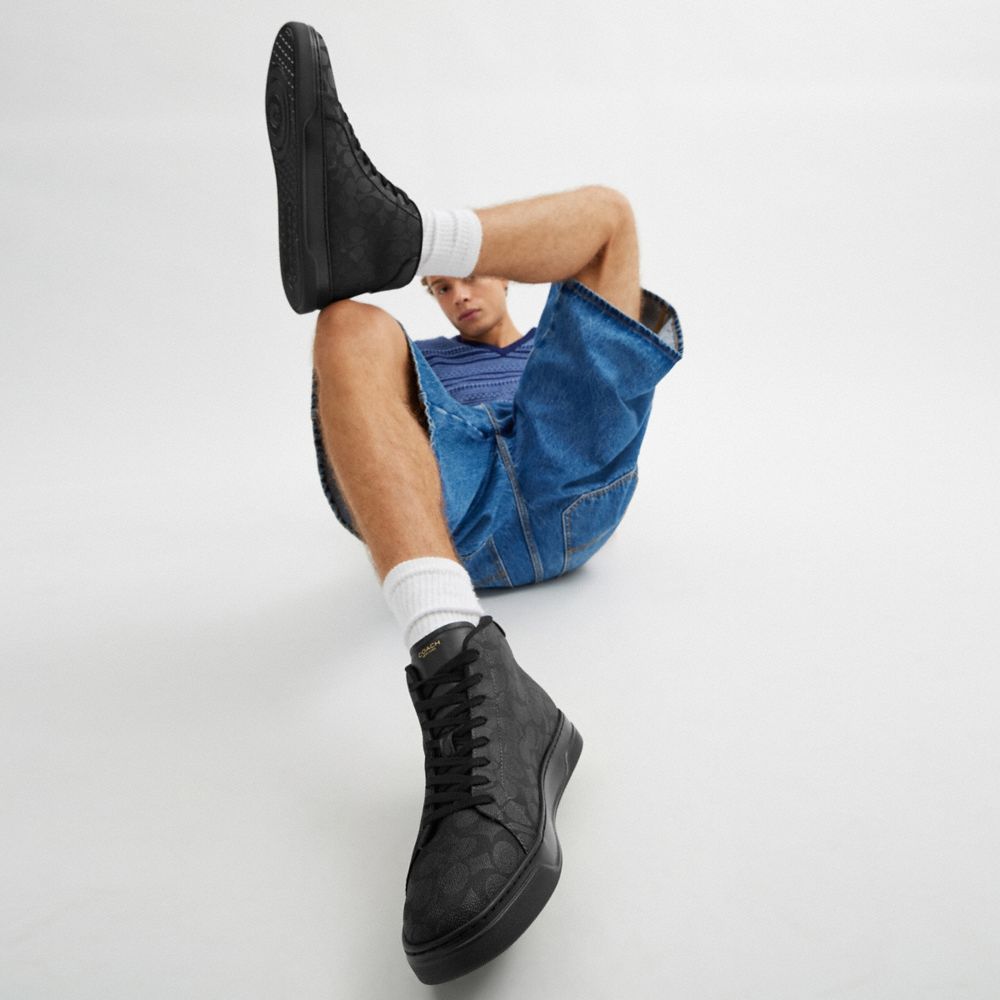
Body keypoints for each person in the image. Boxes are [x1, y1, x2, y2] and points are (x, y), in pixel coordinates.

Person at [265, 20, 684, 985]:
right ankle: (457, 659)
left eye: (467, 278)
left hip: (568, 471)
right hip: (457, 520)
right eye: (439, 287)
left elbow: (600, 236)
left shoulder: (556, 344)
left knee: (610, 214)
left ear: (513, 271)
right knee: (346, 323)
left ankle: (398, 232)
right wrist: (394, 387)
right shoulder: (425, 366)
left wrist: (430, 242)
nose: (455, 300)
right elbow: (377, 409)